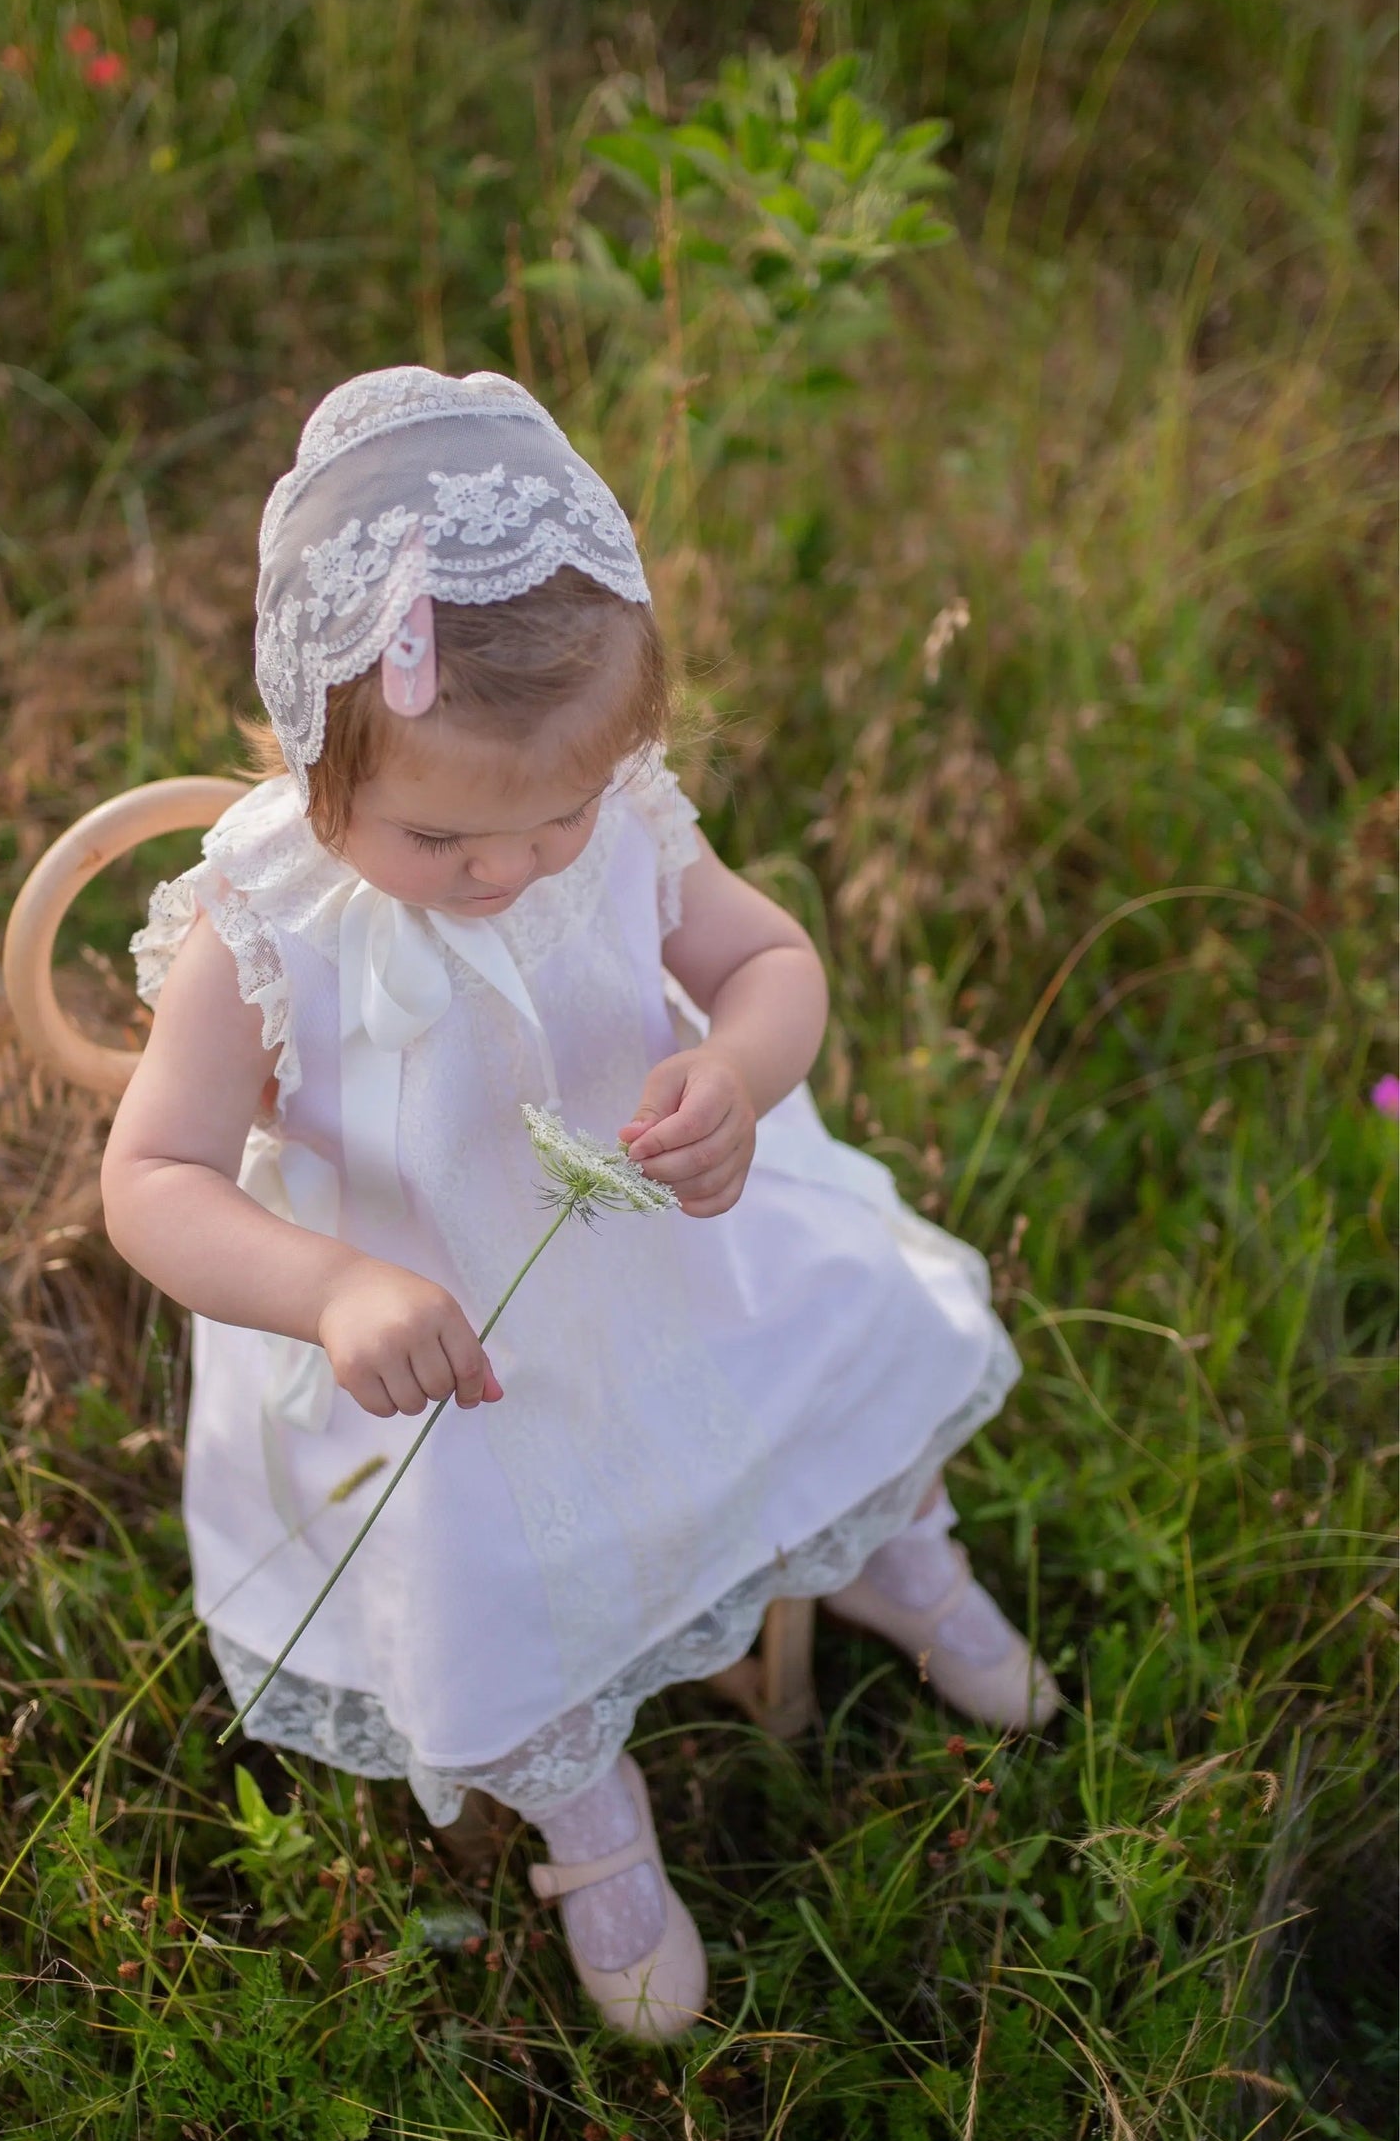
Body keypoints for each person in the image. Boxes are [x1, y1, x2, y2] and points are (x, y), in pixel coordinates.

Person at [100, 366, 1058, 2040]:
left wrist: (744, 1073)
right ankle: (588, 1815)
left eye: (558, 813)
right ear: (309, 750)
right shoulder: (255, 927)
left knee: (838, 1338)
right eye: (447, 833)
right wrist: (331, 1288)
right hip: (446, 1343)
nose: (516, 866)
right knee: (496, 1561)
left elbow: (767, 959)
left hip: (680, 1244)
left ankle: (890, 1553)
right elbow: (150, 1180)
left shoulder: (610, 820)